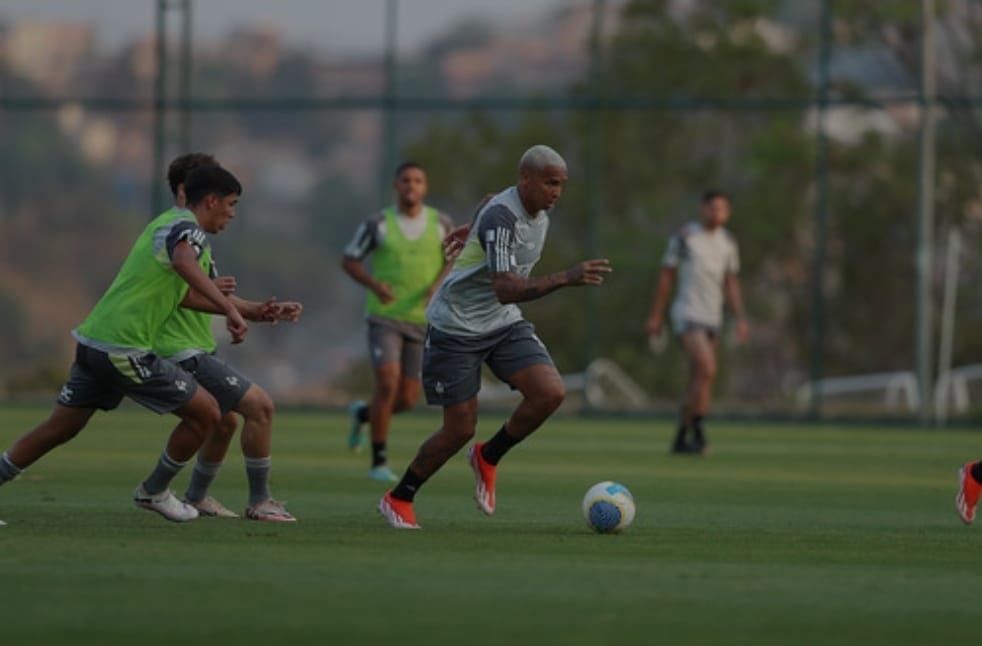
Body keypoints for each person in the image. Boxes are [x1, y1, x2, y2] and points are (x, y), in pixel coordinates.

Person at [377, 145, 613, 529]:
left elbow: (489, 202)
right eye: (551, 183)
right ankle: (398, 496)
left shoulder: (518, 207)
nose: (557, 192)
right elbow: (505, 287)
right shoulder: (502, 218)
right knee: (459, 430)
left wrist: (474, 229)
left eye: (561, 185)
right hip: (455, 327)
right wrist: (564, 277)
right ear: (526, 179)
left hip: (501, 323)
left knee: (550, 393)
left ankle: (488, 455)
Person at [0, 164, 248, 524]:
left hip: (94, 341)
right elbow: (183, 262)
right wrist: (228, 308)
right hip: (122, 348)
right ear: (211, 200)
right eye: (231, 203)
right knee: (208, 412)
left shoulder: (165, 222)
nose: (232, 213)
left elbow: (184, 293)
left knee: (60, 428)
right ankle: (154, 491)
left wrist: (244, 311)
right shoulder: (189, 231)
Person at [151, 153, 302, 522]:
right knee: (260, 407)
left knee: (226, 421)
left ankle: (194, 496)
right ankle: (260, 500)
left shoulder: (187, 234)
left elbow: (203, 295)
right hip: (178, 348)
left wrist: (258, 311)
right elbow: (177, 295)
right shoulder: (179, 232)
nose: (230, 210)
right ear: (195, 193)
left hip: (191, 346)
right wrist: (234, 309)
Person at [341, 162, 453, 482]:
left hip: (423, 321)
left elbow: (454, 258)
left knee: (406, 398)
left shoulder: (441, 223)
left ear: (425, 187)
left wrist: (437, 287)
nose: (411, 186)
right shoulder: (378, 224)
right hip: (385, 317)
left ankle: (364, 414)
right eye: (405, 180)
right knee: (387, 383)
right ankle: (378, 462)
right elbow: (349, 260)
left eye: (418, 180)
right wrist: (375, 285)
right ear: (395, 185)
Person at [645, 190, 748, 455]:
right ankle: (698, 431)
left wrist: (739, 317)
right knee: (708, 369)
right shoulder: (686, 237)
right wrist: (656, 315)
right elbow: (666, 275)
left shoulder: (727, 242)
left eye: (722, 209)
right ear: (702, 209)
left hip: (713, 316)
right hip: (687, 313)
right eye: (712, 208)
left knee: (700, 378)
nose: (716, 213)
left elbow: (730, 282)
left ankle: (682, 436)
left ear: (728, 213)